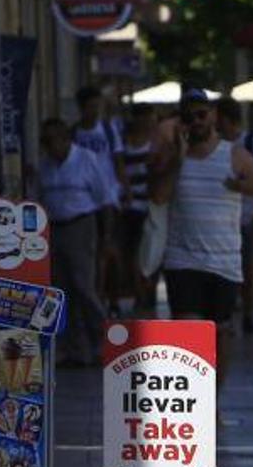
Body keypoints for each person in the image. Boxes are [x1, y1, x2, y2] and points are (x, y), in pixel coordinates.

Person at [159, 89, 253, 383]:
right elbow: (158, 196)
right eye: (188, 116)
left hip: (224, 261)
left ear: (213, 116)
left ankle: (212, 401)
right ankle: (193, 399)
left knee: (220, 332)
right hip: (182, 259)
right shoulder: (172, 155)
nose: (195, 121)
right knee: (188, 332)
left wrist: (243, 187)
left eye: (201, 114)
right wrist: (178, 159)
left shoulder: (234, 154)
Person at [31, 118, 116, 367]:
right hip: (54, 228)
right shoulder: (44, 166)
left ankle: (104, 339)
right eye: (44, 142)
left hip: (81, 224)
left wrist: (107, 237)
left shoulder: (87, 160)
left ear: (66, 139)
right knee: (62, 289)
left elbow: (105, 199)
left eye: (52, 141)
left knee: (83, 285)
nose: (48, 147)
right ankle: (75, 349)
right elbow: (37, 196)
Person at [214, 97, 253, 334]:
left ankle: (248, 312)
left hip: (248, 218)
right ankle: (231, 310)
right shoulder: (214, 145)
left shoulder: (251, 143)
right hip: (222, 219)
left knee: (248, 268)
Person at [73, 85, 126, 315]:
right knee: (91, 250)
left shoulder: (107, 129)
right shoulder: (74, 133)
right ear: (81, 108)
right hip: (85, 198)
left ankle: (112, 296)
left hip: (108, 196)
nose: (95, 111)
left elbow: (118, 159)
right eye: (91, 107)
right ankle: (98, 295)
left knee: (109, 247)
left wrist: (124, 188)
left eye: (98, 106)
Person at [117, 103, 158, 314]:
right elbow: (119, 168)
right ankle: (138, 293)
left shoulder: (156, 142)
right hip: (128, 205)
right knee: (131, 253)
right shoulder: (123, 141)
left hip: (150, 204)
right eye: (145, 117)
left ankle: (145, 292)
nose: (149, 121)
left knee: (147, 253)